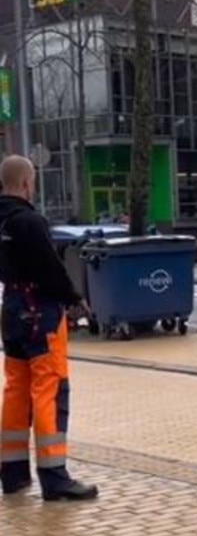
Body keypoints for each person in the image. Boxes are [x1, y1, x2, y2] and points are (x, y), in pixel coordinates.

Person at [0, 155, 98, 501]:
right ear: (27, 183)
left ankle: (12, 473)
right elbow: (50, 268)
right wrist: (75, 298)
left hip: (10, 310)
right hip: (40, 312)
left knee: (15, 388)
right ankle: (54, 476)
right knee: (49, 390)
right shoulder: (30, 222)